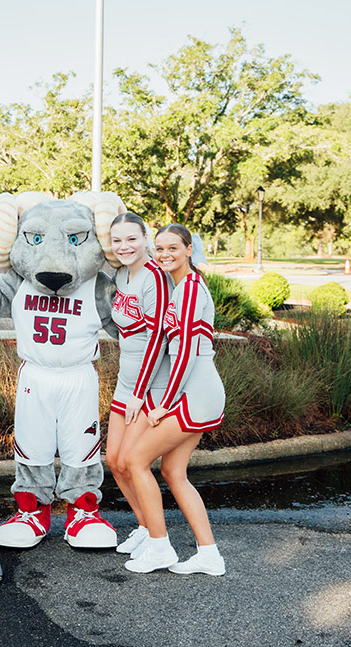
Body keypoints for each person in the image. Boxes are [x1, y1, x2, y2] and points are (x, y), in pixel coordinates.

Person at [120, 223, 226, 575]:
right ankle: (209, 554)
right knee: (172, 471)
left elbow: (185, 355)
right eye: (160, 249)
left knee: (135, 460)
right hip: (192, 392)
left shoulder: (192, 289)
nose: (165, 255)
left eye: (173, 249)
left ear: (189, 249)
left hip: (194, 393)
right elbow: (163, 345)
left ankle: (160, 547)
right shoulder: (174, 286)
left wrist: (166, 401)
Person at [105, 213, 171, 558]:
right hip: (126, 381)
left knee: (133, 461)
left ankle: (158, 537)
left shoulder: (155, 278)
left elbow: (158, 339)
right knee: (114, 461)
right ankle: (145, 527)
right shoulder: (120, 275)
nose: (124, 246)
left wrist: (139, 392)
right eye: (117, 240)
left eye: (131, 239)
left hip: (149, 385)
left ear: (145, 238)